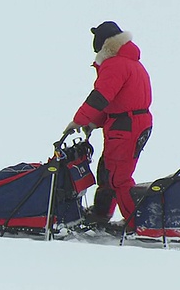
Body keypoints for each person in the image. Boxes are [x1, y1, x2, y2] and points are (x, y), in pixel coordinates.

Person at [63, 21, 153, 233]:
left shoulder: (116, 64)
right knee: (108, 169)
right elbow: (119, 101)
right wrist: (96, 122)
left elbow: (101, 97)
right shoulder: (131, 63)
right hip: (130, 122)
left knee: (118, 176)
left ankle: (133, 224)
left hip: (126, 125)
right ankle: (102, 212)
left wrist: (79, 120)